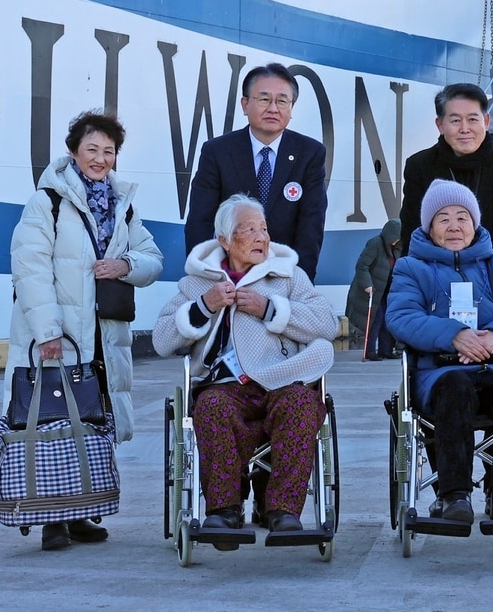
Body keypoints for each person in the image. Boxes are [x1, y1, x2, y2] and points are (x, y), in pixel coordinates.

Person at [7, 110, 164, 550]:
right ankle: (50, 519)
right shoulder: (48, 202)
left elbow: (153, 258)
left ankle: (82, 512)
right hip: (58, 333)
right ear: (73, 151)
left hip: (101, 336)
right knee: (50, 422)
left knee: (93, 420)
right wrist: (47, 332)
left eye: (108, 151)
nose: (100, 158)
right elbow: (30, 268)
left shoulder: (122, 204)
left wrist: (125, 265)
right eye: (91, 149)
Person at [152, 194, 338, 539]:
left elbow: (326, 323)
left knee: (301, 406)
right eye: (248, 229)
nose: (261, 237)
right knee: (211, 406)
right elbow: (162, 341)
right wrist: (204, 306)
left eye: (264, 229)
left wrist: (270, 308)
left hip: (281, 380)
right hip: (224, 387)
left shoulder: (287, 277)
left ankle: (281, 512)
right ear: (224, 240)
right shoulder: (197, 283)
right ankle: (224, 510)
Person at [386, 181, 493, 523]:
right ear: (429, 227)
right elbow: (401, 316)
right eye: (443, 219)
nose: (454, 226)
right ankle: (454, 495)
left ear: (475, 224)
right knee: (455, 389)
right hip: (442, 372)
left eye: (462, 217)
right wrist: (454, 335)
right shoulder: (411, 268)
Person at [185, 63, 328, 281]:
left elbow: (311, 227)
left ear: (291, 108)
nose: (273, 108)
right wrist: (205, 275)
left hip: (283, 276)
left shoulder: (310, 154)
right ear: (245, 104)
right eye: (264, 99)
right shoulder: (218, 151)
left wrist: (300, 282)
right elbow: (200, 221)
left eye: (282, 101)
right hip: (228, 277)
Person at [399, 83, 493, 283]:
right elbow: (412, 228)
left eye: (473, 119)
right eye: (455, 120)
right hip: (436, 281)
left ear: (487, 121)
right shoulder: (420, 166)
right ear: (440, 125)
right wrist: (409, 278)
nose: (465, 129)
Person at [346, 218, 402, 360]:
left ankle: (386, 350)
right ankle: (370, 351)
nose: (397, 241)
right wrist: (367, 284)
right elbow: (362, 266)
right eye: (395, 237)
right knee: (374, 320)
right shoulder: (375, 244)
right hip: (372, 291)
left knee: (386, 320)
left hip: (386, 291)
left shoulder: (395, 248)